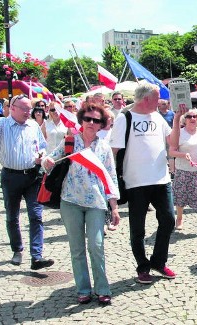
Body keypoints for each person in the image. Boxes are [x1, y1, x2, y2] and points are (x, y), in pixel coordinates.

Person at [42, 102, 120, 305]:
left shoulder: (103, 148)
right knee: (77, 248)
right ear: (81, 121)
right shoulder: (70, 142)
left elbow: (110, 177)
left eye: (96, 120)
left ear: (102, 124)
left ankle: (102, 288)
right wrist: (46, 162)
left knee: (96, 245)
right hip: (70, 201)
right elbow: (50, 160)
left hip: (96, 202)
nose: (91, 123)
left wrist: (114, 207)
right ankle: (83, 289)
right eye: (88, 119)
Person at [0, 87, 54, 270]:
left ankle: (36, 256)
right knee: (12, 216)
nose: (27, 112)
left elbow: (42, 147)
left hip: (32, 176)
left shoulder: (33, 126)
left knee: (36, 216)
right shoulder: (2, 125)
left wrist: (41, 157)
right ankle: (17, 249)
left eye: (29, 109)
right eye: (23, 108)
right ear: (12, 108)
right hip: (11, 176)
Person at [109, 82, 176, 284]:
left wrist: (179, 117)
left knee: (168, 220)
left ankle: (158, 261)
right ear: (147, 99)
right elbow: (114, 151)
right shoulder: (125, 118)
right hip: (135, 181)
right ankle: (142, 266)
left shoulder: (158, 116)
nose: (161, 102)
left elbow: (172, 141)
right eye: (157, 98)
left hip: (161, 178)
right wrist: (112, 180)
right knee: (138, 228)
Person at [169, 109, 197, 236]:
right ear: (184, 119)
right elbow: (171, 152)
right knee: (181, 195)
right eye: (189, 116)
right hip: (183, 170)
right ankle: (179, 218)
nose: (193, 118)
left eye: (195, 116)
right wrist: (183, 154)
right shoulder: (179, 133)